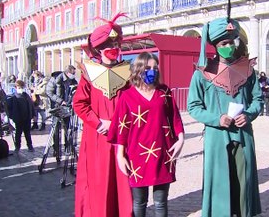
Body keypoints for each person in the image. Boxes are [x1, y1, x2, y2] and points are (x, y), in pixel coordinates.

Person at [187, 0, 262, 217]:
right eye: (223, 44)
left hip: (243, 134)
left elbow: (258, 99)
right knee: (220, 183)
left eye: (232, 42)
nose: (229, 47)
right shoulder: (202, 73)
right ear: (216, 46)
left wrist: (249, 115)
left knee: (243, 182)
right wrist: (215, 118)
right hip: (216, 137)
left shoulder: (248, 70)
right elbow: (193, 106)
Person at [108, 52, 185, 217]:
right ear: (138, 69)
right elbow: (122, 127)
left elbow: (175, 118)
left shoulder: (164, 92)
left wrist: (181, 139)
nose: (152, 71)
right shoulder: (127, 96)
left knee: (160, 202)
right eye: (148, 68)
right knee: (139, 202)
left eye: (155, 68)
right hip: (137, 155)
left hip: (164, 153)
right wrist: (120, 155)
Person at [73, 13, 133, 217]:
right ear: (99, 48)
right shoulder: (89, 73)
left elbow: (133, 104)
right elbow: (79, 104)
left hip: (122, 137)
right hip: (97, 137)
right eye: (109, 43)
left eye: (116, 42)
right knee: (99, 183)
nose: (114, 46)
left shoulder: (127, 72)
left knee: (122, 180)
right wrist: (98, 123)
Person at [46, 65, 78, 157]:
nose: (74, 75)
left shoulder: (73, 81)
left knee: (68, 128)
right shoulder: (56, 78)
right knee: (56, 129)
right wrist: (60, 101)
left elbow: (76, 90)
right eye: (72, 73)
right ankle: (56, 149)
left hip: (68, 107)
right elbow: (48, 91)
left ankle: (67, 147)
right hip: (57, 106)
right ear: (67, 73)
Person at [7, 80, 35, 152]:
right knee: (18, 133)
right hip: (18, 118)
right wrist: (11, 116)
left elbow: (31, 105)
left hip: (27, 117)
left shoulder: (26, 95)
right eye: (19, 87)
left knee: (27, 133)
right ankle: (17, 147)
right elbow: (9, 108)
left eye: (22, 87)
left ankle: (30, 146)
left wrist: (33, 114)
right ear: (16, 87)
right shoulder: (13, 97)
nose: (21, 88)